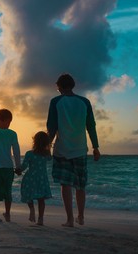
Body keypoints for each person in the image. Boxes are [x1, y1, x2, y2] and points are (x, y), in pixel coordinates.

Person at [47, 73, 100, 227]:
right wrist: (96, 147)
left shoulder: (55, 102)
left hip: (62, 149)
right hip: (80, 149)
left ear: (60, 86)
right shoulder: (85, 102)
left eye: (57, 86)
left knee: (66, 185)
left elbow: (51, 127)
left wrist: (46, 147)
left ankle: (70, 219)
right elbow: (91, 125)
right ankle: (81, 216)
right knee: (80, 186)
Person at [20, 131, 52, 226]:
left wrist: (18, 170)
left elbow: (24, 166)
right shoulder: (46, 155)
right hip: (42, 178)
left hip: (31, 178)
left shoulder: (29, 153)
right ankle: (40, 219)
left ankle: (32, 209)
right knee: (41, 199)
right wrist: (48, 147)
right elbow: (50, 158)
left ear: (34, 142)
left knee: (28, 194)